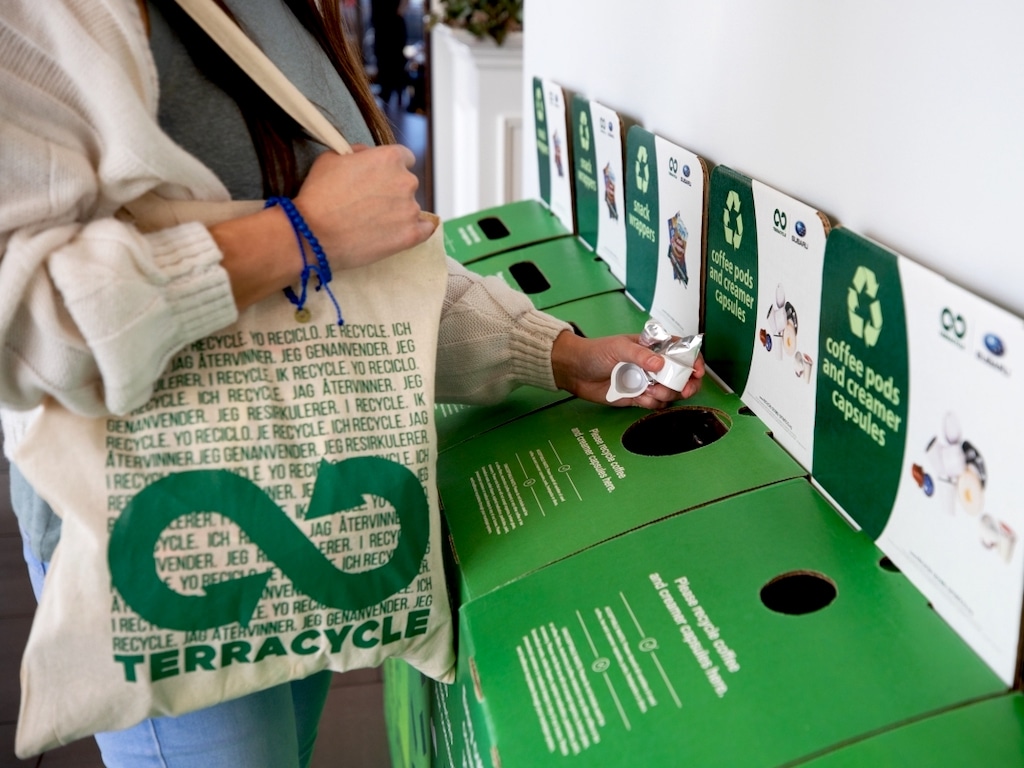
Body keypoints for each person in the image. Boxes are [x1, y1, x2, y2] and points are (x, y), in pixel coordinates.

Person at [0, 1, 705, 766]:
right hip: (161, 543)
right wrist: (300, 236)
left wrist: (558, 353)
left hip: (303, 506)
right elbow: (26, 325)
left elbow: (371, 287)